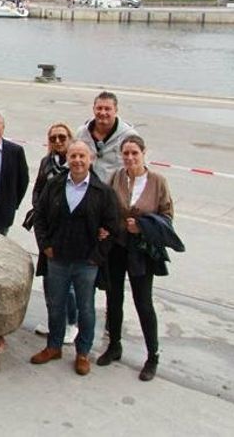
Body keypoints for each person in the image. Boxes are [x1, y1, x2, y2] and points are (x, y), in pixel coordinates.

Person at [31, 140, 119, 376]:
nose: (77, 161)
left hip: (86, 263)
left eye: (82, 156)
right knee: (56, 305)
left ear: (90, 159)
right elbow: (39, 217)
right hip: (57, 259)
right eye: (73, 156)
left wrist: (97, 257)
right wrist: (45, 246)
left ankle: (82, 352)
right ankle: (54, 346)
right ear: (67, 159)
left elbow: (113, 227)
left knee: (86, 308)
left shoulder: (103, 192)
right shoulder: (54, 185)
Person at [98, 135, 176, 381]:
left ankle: (152, 356)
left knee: (143, 302)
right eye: (126, 153)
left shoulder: (157, 181)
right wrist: (106, 227)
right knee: (114, 297)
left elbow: (167, 216)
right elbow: (108, 206)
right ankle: (114, 345)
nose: (130, 158)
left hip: (141, 251)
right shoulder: (117, 177)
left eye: (134, 153)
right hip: (117, 247)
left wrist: (141, 227)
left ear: (143, 154)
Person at [29, 122, 78, 343]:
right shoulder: (46, 163)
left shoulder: (77, 162)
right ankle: (54, 321)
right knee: (49, 279)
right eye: (53, 138)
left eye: (62, 137)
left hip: (69, 233)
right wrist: (40, 213)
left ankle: (71, 323)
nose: (57, 141)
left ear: (70, 138)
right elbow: (38, 189)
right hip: (48, 230)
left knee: (67, 282)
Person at [75, 91, 137, 183]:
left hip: (114, 192)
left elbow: (140, 168)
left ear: (115, 110)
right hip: (86, 190)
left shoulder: (129, 136)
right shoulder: (82, 133)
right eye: (99, 108)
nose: (103, 112)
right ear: (93, 109)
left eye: (107, 109)